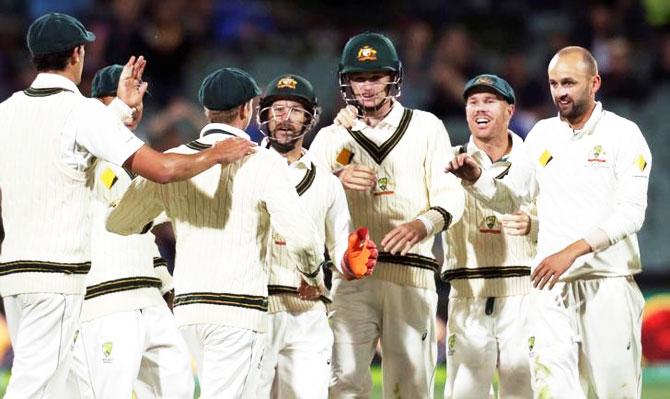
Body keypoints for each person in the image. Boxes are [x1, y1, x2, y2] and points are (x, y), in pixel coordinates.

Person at [0, 13, 252, 398]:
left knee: (58, 385)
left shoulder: (8, 111)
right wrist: (216, 153)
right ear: (77, 54)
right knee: (37, 386)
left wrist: (119, 109)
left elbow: (71, 144)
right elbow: (163, 169)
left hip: (16, 273)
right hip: (58, 275)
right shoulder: (79, 110)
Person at [105, 67, 327, 398]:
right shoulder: (264, 163)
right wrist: (312, 275)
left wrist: (173, 206)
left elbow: (119, 223)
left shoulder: (173, 160)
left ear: (207, 111)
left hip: (189, 312)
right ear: (247, 109)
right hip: (237, 312)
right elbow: (304, 238)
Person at [447, 46, 651, 398]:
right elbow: (511, 196)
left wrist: (571, 251)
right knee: (551, 390)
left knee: (615, 392)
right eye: (554, 84)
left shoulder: (623, 134)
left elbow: (631, 213)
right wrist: (477, 178)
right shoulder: (542, 135)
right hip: (550, 289)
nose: (560, 92)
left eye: (569, 83)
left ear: (595, 82)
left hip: (608, 283)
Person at [309, 32, 465, 398]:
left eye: (375, 77)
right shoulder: (332, 137)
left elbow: (450, 195)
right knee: (342, 383)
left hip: (411, 274)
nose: (366, 87)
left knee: (410, 384)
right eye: (358, 78)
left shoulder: (426, 126)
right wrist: (335, 179)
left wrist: (421, 224)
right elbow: (300, 200)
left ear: (393, 78)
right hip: (350, 277)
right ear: (346, 82)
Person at [68, 64, 194, 398]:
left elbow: (144, 234)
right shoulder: (83, 150)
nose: (134, 108)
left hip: (148, 297)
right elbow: (127, 200)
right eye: (124, 99)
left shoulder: (133, 159)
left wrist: (166, 287)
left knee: (178, 387)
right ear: (102, 102)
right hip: (105, 300)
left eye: (139, 101)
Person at [255, 73, 378, 398]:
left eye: (295, 111)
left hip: (308, 311)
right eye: (278, 110)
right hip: (255, 307)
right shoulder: (244, 166)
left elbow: (340, 244)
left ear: (309, 120)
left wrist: (351, 261)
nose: (285, 119)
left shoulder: (325, 182)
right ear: (264, 116)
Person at [441, 74, 536, 399]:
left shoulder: (534, 161)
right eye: (472, 102)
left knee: (523, 391)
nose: (479, 108)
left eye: (489, 101)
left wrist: (534, 224)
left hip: (523, 293)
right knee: (465, 394)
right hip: (468, 293)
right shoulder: (448, 160)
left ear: (510, 110)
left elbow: (560, 216)